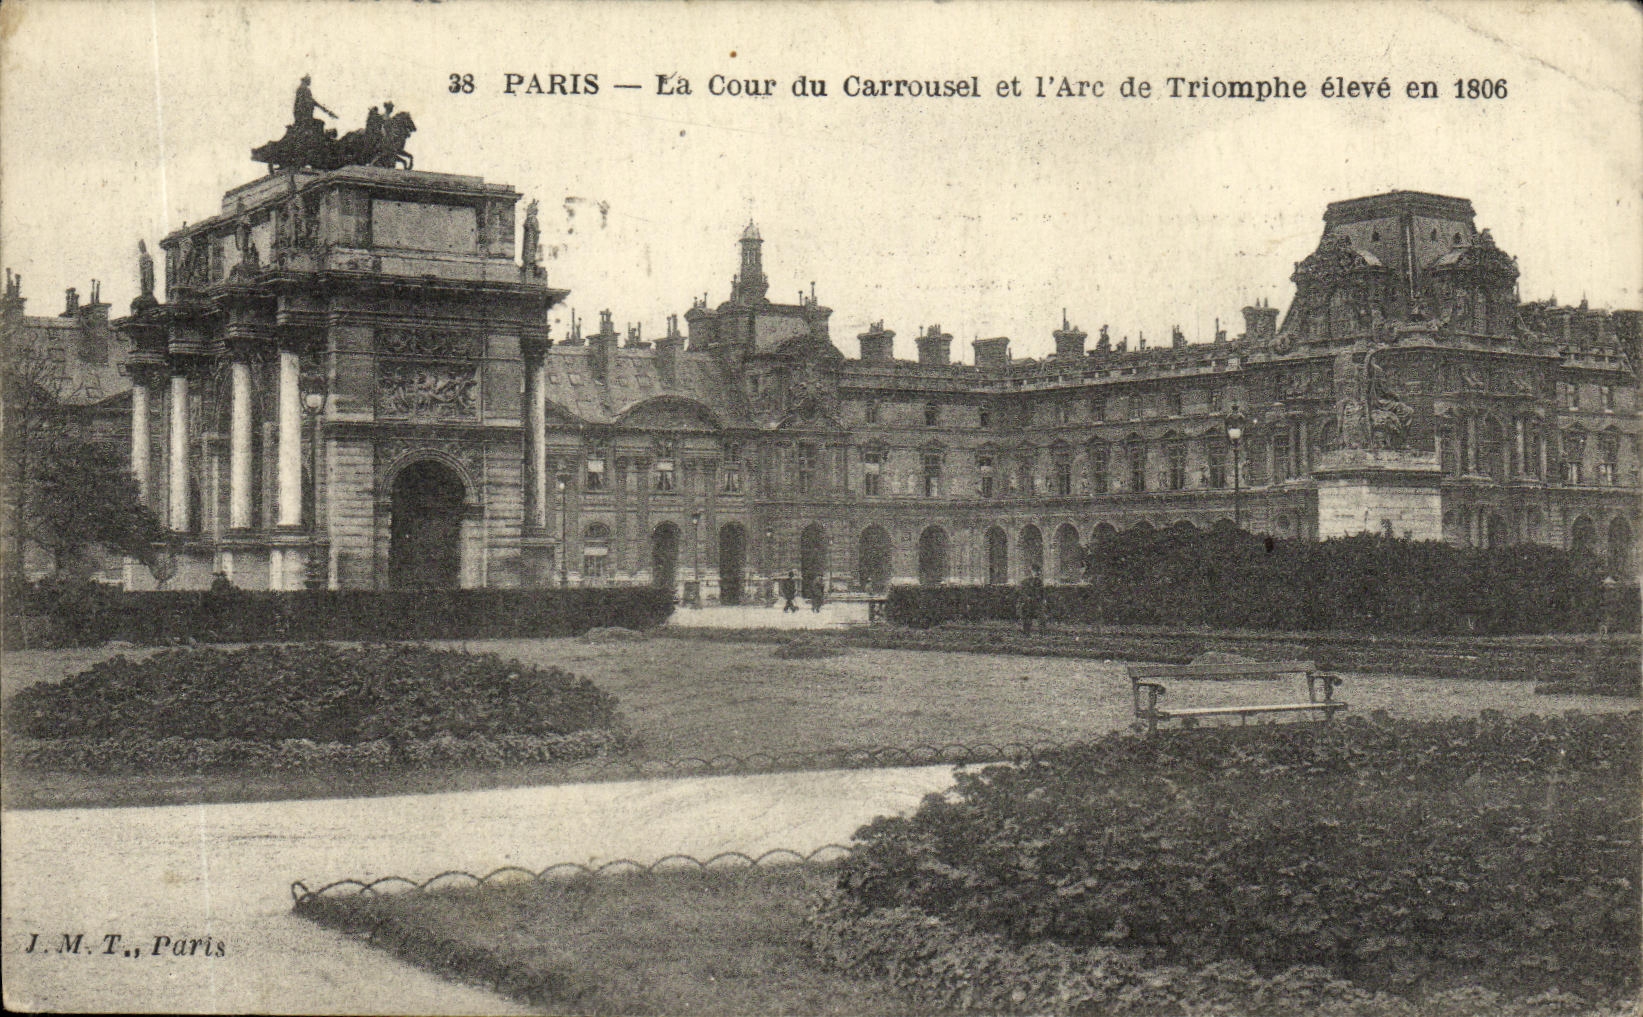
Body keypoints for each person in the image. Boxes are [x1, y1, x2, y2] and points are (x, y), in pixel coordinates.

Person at [1017, 566, 1045, 635]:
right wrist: (1026, 598)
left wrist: (1042, 599)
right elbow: (1022, 592)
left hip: (1037, 601)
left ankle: (1042, 632)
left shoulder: (1039, 582)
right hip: (1028, 602)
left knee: (1041, 617)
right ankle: (1026, 632)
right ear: (1031, 572)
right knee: (1027, 617)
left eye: (1037, 572)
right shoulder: (1025, 581)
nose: (1036, 574)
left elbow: (1042, 592)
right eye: (1034, 572)